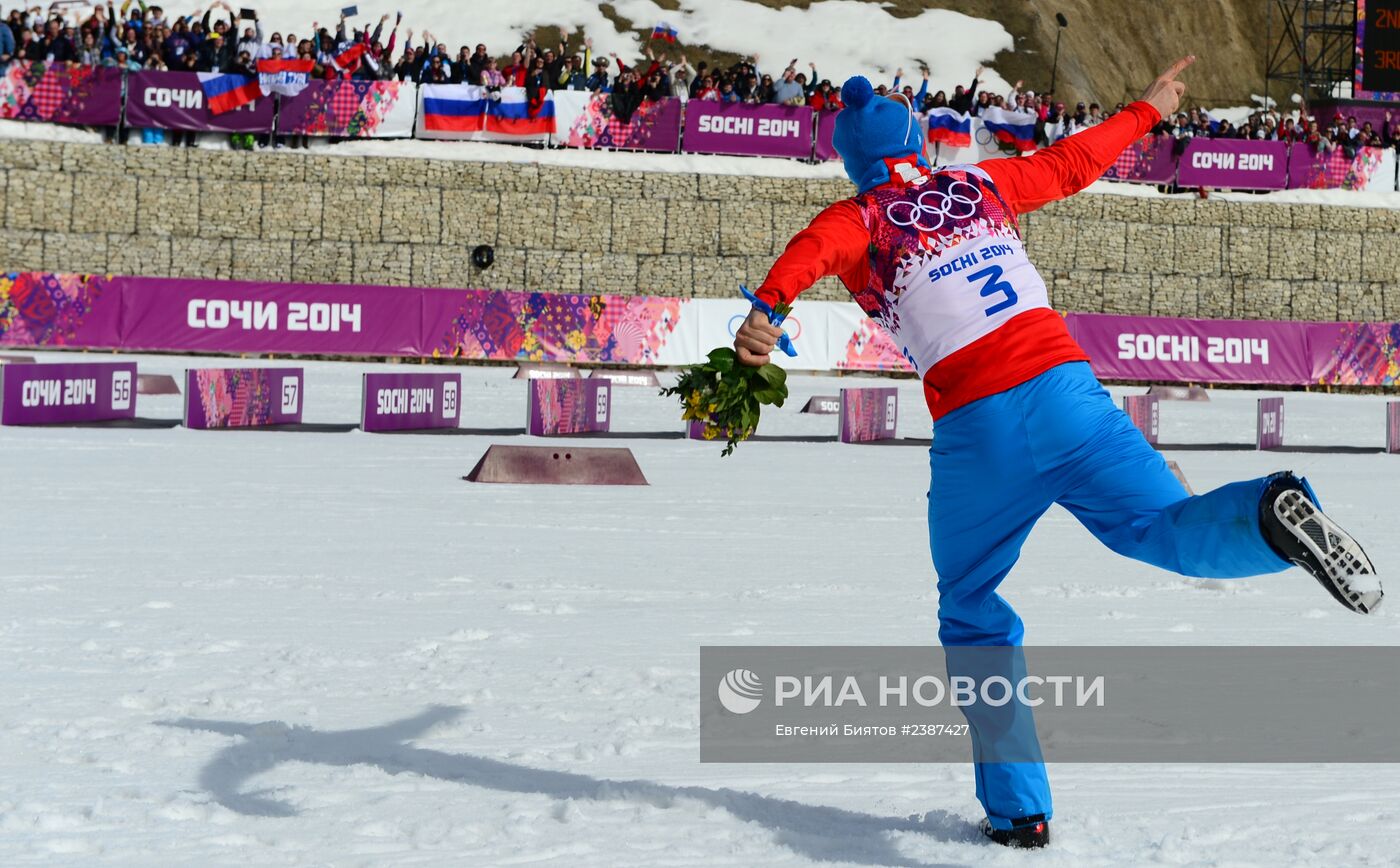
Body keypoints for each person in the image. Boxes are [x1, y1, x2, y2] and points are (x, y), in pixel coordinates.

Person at [732, 56, 1383, 850]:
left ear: (855, 160)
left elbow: (810, 249)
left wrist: (766, 309)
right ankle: (1267, 518)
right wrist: (1146, 107)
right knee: (1166, 529)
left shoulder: (863, 215)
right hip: (1070, 395)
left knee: (972, 610)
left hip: (980, 427)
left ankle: (1019, 810)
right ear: (918, 140)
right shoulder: (980, 185)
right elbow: (1073, 162)